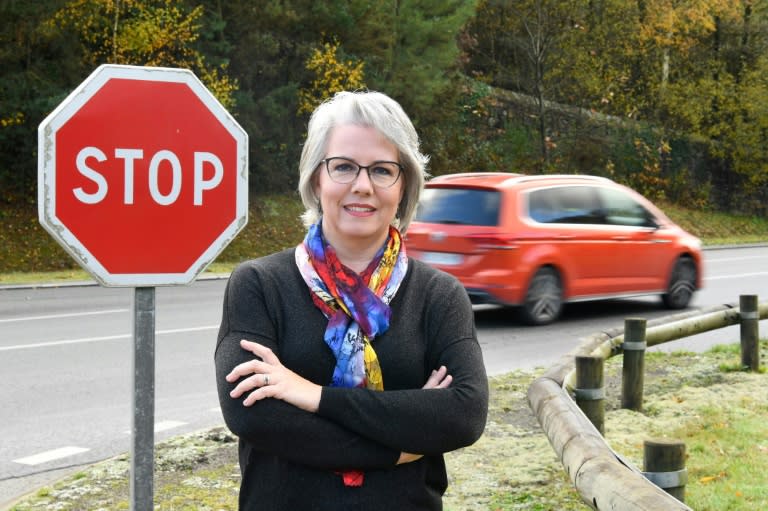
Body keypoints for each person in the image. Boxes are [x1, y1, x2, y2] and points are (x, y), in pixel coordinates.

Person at [215, 90, 489, 510]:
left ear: (404, 186)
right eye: (343, 167)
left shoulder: (438, 296)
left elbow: (463, 415)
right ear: (316, 178)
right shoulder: (259, 284)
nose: (362, 186)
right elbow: (254, 416)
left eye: (382, 170)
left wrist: (313, 396)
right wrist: (401, 446)